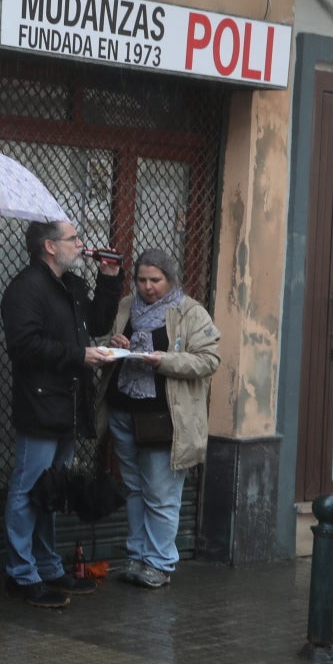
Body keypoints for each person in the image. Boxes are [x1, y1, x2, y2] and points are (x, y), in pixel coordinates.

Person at [0, 219, 122, 609]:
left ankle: (48, 566)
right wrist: (78, 355)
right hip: (41, 402)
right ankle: (21, 573)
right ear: (50, 247)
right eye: (74, 239)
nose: (81, 244)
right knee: (28, 487)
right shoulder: (25, 288)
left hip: (68, 402)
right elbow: (24, 345)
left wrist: (109, 278)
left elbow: (97, 324)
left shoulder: (70, 285)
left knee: (52, 489)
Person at [96, 248, 221, 588]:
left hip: (165, 419)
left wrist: (163, 360)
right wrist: (114, 343)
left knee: (161, 494)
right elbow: (107, 343)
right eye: (141, 280)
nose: (148, 287)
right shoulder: (126, 306)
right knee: (135, 489)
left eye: (156, 280)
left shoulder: (190, 312)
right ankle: (137, 559)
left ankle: (160, 564)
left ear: (170, 279)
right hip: (123, 412)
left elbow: (208, 360)